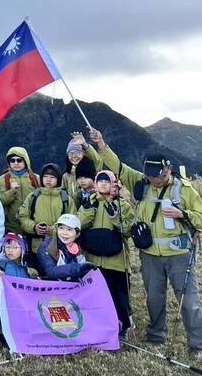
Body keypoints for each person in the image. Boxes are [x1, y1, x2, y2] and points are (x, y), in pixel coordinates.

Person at [91, 128, 202, 350]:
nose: (154, 180)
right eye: (150, 175)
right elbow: (118, 167)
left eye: (158, 175)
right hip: (149, 253)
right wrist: (101, 144)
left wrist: (184, 214)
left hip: (179, 254)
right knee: (154, 298)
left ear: (168, 168)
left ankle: (197, 344)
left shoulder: (185, 190)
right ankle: (156, 336)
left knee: (189, 302)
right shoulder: (141, 183)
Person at [78, 170, 135, 338]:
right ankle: (100, 326)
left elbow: (127, 231)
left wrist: (115, 217)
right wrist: (89, 209)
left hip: (116, 260)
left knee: (120, 296)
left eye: (107, 181)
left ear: (113, 184)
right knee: (97, 295)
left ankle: (123, 326)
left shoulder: (122, 205)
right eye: (100, 181)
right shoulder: (89, 202)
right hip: (94, 258)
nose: (103, 184)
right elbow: (79, 224)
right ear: (95, 184)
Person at [18, 163, 76, 255]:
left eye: (52, 177)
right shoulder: (33, 196)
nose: (48, 180)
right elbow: (22, 217)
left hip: (60, 248)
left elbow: (73, 223)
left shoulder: (66, 199)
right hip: (35, 247)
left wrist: (52, 230)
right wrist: (34, 227)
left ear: (58, 179)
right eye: (46, 176)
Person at [0, 233, 37, 331]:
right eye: (7, 247)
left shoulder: (29, 266)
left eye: (15, 247)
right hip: (4, 306)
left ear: (23, 249)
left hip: (24, 305)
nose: (10, 250)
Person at [0, 147, 40, 235]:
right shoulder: (3, 179)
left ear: (25, 161)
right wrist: (11, 191)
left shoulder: (36, 178)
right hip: (12, 225)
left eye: (19, 160)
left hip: (33, 223)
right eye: (12, 160)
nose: (16, 163)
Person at [37, 214, 95, 281]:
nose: (64, 233)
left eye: (69, 229)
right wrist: (77, 268)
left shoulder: (77, 247)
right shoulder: (47, 247)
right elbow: (51, 271)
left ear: (77, 234)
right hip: (50, 287)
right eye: (61, 228)